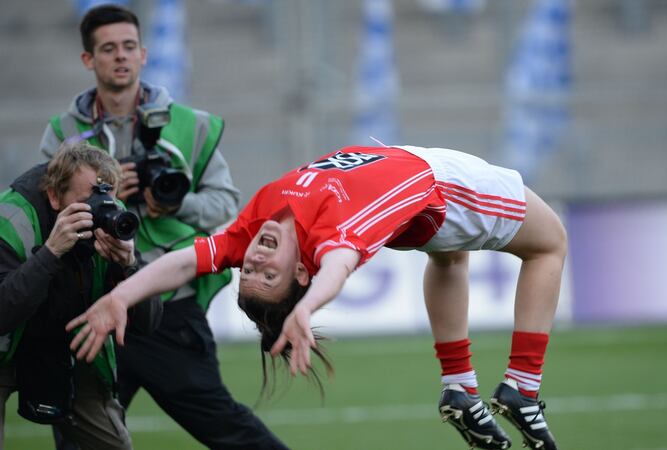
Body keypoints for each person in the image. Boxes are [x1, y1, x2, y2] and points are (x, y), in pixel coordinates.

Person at [68, 145, 567, 450]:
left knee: (447, 257)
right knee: (550, 244)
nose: (256, 262)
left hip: (415, 186)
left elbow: (184, 262)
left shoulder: (256, 226)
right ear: (302, 270)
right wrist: (305, 308)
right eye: (269, 275)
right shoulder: (331, 236)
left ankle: (459, 386)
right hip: (443, 185)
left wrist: (122, 297)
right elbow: (339, 267)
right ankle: (522, 387)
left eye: (249, 272)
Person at [39, 5, 288, 450]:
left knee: (224, 426)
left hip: (168, 306)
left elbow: (225, 203)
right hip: (92, 301)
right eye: (108, 49)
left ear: (144, 54)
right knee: (77, 436)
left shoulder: (191, 125)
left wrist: (167, 203)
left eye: (129, 47)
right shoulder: (62, 132)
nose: (121, 57)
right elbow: (48, 209)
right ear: (88, 60)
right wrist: (108, 197)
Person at [0, 142, 163, 450]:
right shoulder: (13, 217)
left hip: (66, 343)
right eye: (89, 198)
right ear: (54, 196)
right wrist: (50, 252)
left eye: (107, 196)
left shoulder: (115, 219)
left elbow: (150, 321)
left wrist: (128, 266)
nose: (101, 207)